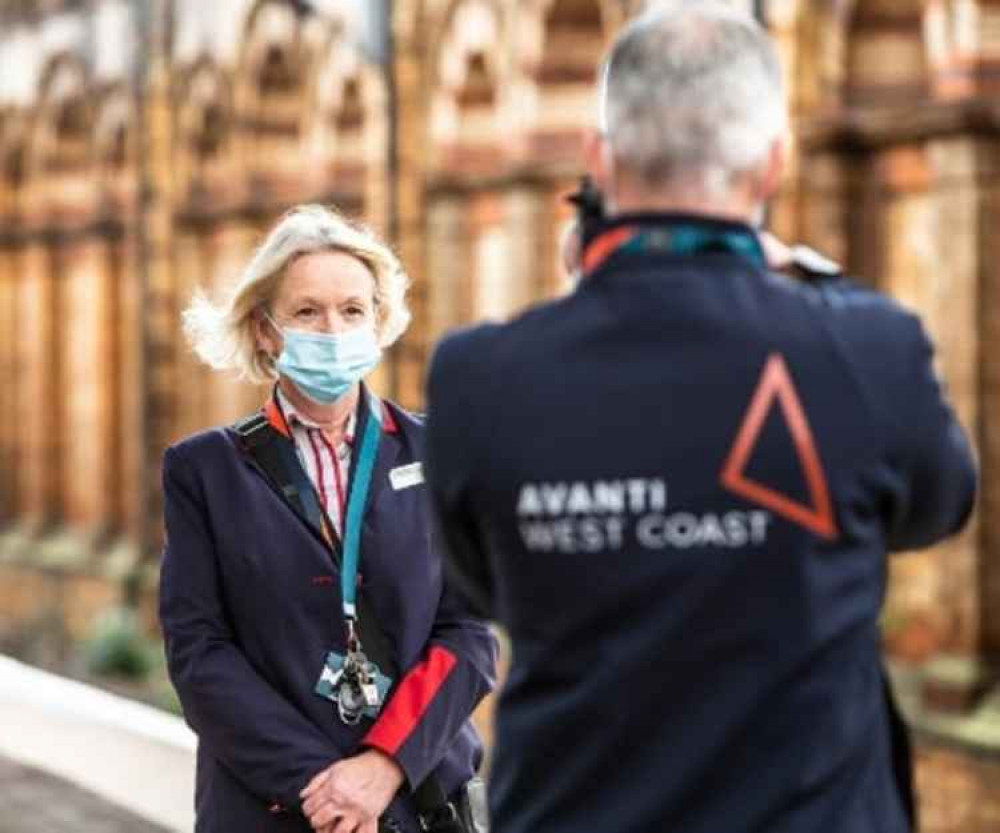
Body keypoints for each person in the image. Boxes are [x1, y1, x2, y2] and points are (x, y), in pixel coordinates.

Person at [424, 5, 977, 833]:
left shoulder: (477, 380)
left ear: (598, 161)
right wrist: (806, 273)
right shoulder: (870, 348)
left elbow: (482, 583)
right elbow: (942, 504)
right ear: (773, 164)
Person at [159, 204, 497, 833]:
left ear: (379, 320)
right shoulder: (204, 470)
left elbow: (470, 635)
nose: (332, 329)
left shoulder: (439, 451)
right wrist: (325, 791)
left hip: (416, 803)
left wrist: (380, 768)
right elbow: (199, 655)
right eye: (306, 312)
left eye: (352, 310)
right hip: (273, 810)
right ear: (265, 329)